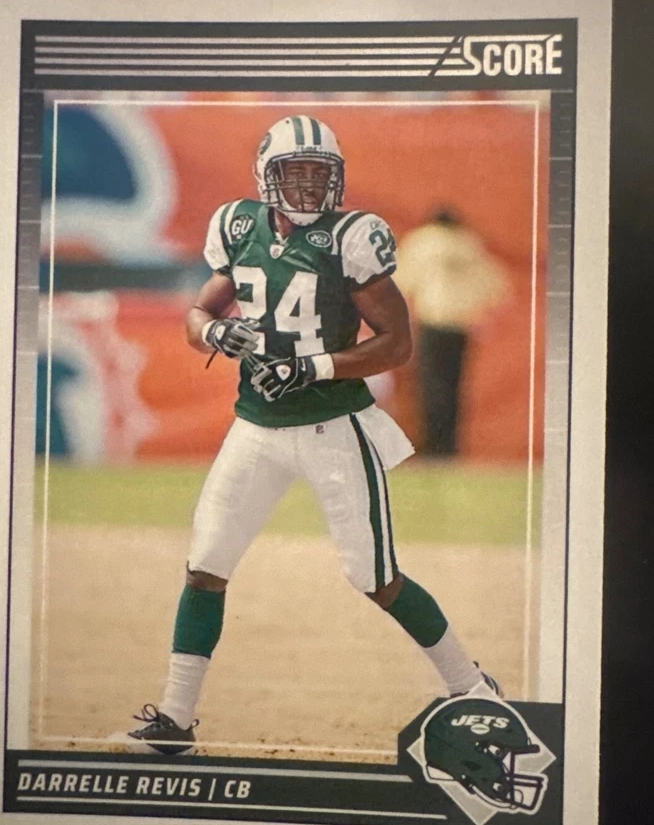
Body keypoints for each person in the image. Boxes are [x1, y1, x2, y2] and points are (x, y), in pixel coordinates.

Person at [129, 116, 502, 755]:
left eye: (317, 173)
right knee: (206, 565)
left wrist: (313, 366)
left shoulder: (350, 238)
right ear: (265, 176)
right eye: (293, 172)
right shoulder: (239, 226)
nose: (306, 186)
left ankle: (472, 687)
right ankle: (175, 717)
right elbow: (197, 313)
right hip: (256, 427)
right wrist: (215, 332)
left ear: (336, 178)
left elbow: (398, 344)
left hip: (334, 426)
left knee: (374, 576)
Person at [396, 207, 510, 456]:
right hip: (460, 325)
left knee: (430, 385)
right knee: (453, 387)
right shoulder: (469, 244)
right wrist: (482, 315)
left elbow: (401, 283)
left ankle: (432, 445)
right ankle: (449, 447)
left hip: (432, 322)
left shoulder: (422, 241)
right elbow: (497, 286)